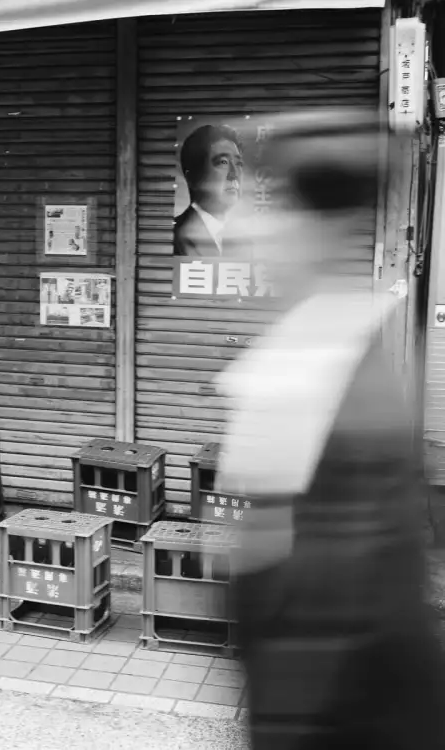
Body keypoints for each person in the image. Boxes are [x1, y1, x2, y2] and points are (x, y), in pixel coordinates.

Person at [215, 109, 445, 750]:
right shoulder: (342, 335)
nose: (254, 230)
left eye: (272, 205)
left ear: (311, 227)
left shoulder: (308, 355)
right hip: (372, 687)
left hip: (340, 698)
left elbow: (294, 574)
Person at [174, 123, 245, 257]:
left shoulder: (244, 238)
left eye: (239, 163)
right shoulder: (174, 236)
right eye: (223, 162)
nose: (234, 174)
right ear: (193, 178)